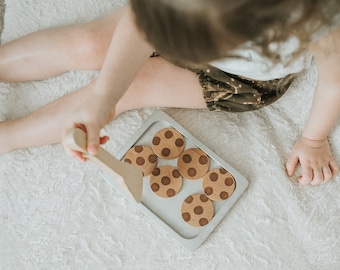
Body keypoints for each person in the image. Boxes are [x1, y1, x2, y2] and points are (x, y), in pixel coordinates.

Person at [0, 0, 339, 186]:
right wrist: (104, 93)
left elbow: (334, 81)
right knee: (89, 44)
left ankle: (8, 137)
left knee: (137, 83)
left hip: (239, 79)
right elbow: (141, 26)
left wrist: (313, 140)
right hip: (167, 17)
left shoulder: (321, 20)